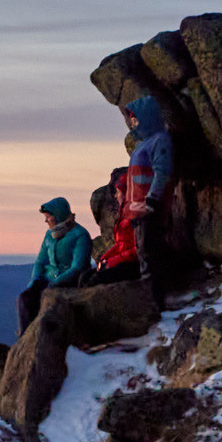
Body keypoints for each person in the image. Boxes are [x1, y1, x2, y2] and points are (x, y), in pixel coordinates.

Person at [88, 95, 174, 300]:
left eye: (135, 119)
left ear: (147, 117)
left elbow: (162, 173)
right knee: (145, 255)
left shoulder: (160, 141)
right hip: (136, 210)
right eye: (132, 120)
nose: (133, 123)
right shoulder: (141, 147)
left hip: (149, 209)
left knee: (149, 258)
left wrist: (152, 201)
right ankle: (148, 299)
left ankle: (155, 301)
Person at [17, 197, 90, 335]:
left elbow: (77, 267)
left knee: (49, 306)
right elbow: (40, 261)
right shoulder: (49, 235)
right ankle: (25, 338)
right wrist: (35, 281)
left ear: (58, 216)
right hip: (47, 281)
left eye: (48, 217)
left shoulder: (80, 236)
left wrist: (55, 283)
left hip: (68, 283)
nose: (45, 221)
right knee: (25, 299)